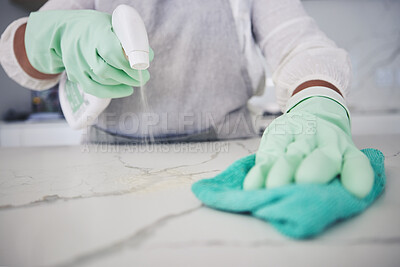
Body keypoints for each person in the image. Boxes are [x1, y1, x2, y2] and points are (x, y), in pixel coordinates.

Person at [0, 0, 374, 198]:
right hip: (104, 162)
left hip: (228, 152)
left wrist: (319, 99)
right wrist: (55, 35)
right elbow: (19, 58)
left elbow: (299, 43)